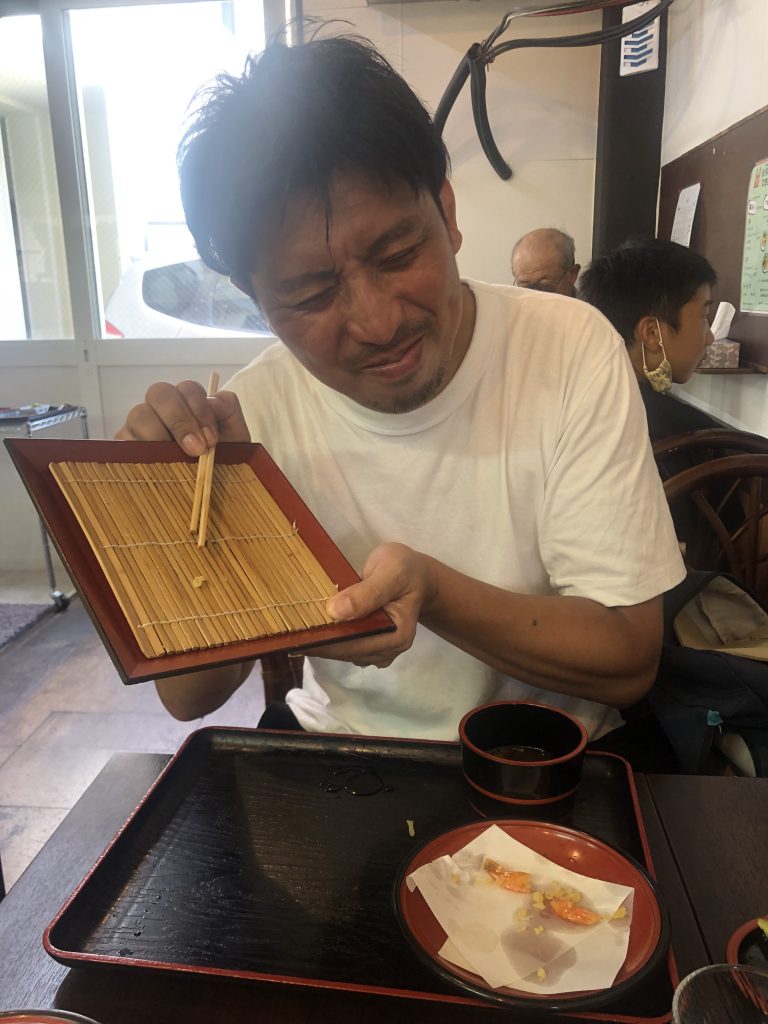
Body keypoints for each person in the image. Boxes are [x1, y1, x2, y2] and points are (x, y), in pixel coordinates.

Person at [117, 36, 684, 747]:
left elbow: (628, 659)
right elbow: (187, 697)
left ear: (447, 212)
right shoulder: (248, 412)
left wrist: (436, 594)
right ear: (252, 296)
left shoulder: (568, 347)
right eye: (311, 293)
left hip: (545, 757)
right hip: (340, 753)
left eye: (398, 254)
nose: (378, 322)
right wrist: (189, 511)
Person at [577, 237, 720, 448]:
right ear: (652, 333)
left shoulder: (578, 401)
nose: (710, 338)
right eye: (704, 316)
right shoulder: (690, 434)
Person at [510, 228, 581, 296]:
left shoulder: (585, 305)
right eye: (525, 287)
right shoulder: (509, 302)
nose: (534, 296)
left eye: (545, 287)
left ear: (572, 274)